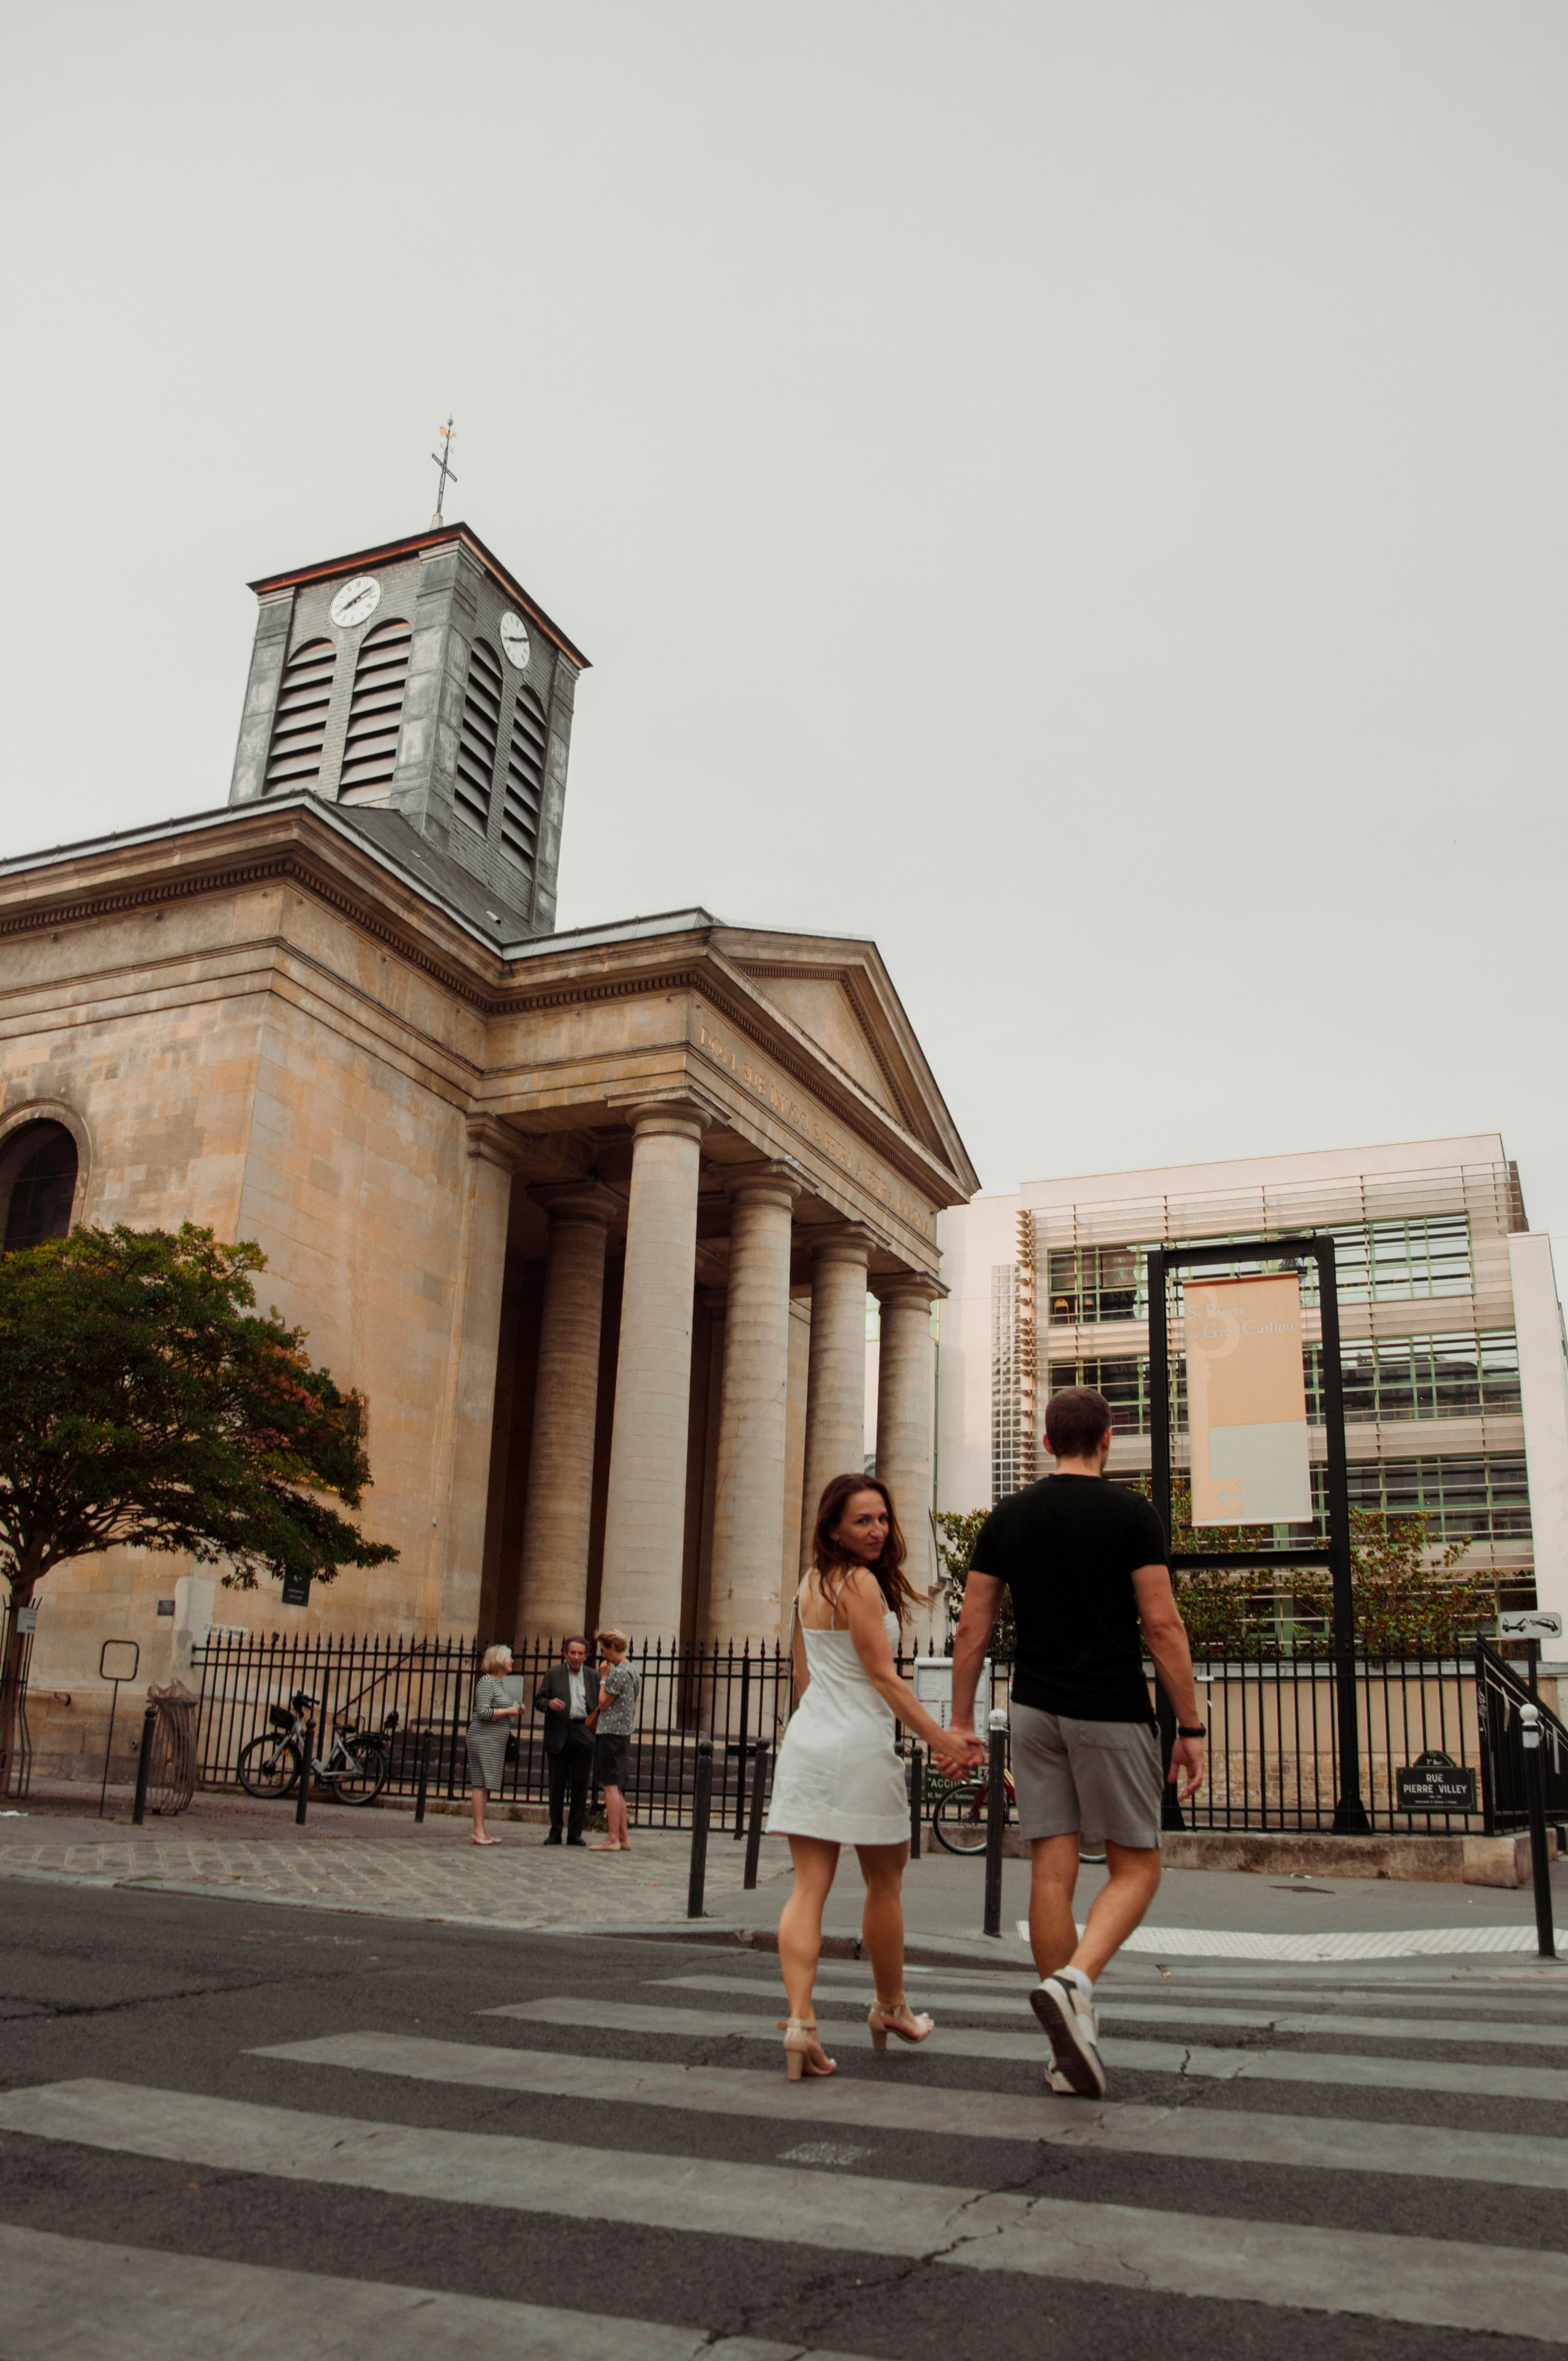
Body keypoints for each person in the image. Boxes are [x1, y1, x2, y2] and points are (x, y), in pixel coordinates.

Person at [947, 1384, 1206, 2099]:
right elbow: (1162, 1627)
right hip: (1111, 1708)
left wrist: (963, 1720)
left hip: (1032, 1709)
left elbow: (972, 1627)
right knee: (1137, 1866)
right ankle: (1075, 1980)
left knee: (1050, 1869)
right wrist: (1189, 1727)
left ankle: (1068, 2046)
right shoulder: (1132, 1515)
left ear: (1045, 1441)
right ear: (1108, 1437)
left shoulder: (1008, 1515)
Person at [764, 1472, 973, 2082]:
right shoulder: (858, 1584)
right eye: (863, 1521)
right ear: (834, 1528)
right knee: (884, 1886)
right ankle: (889, 2007)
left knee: (808, 1889)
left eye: (882, 1518)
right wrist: (942, 1740)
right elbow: (884, 1679)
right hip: (857, 1746)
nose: (878, 1530)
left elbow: (803, 1676)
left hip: (808, 1741)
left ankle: (801, 2024)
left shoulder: (809, 1584)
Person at [533, 1635, 596, 1846]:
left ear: (586, 1656)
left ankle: (575, 1833)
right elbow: (539, 1700)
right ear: (565, 1654)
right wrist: (549, 1704)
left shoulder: (593, 1676)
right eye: (572, 1653)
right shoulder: (553, 1673)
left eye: (580, 1653)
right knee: (556, 1785)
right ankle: (555, 1831)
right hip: (559, 1731)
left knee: (580, 1786)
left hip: (583, 1731)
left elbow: (599, 1705)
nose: (576, 1657)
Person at [464, 1643, 526, 1845]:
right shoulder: (486, 1682)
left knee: (485, 1785)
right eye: (509, 1657)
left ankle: (482, 1830)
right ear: (498, 1659)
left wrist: (515, 1711)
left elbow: (499, 1711)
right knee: (480, 1784)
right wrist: (509, 1711)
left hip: (494, 1741)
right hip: (484, 1739)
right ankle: (478, 1831)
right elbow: (482, 1712)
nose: (512, 1661)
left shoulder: (498, 1684)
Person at [587, 1627, 641, 1852]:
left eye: (604, 1649)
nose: (603, 1655)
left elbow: (602, 1703)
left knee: (609, 1786)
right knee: (616, 1786)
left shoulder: (617, 1673)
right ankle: (623, 1836)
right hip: (623, 1732)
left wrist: (603, 1677)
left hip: (611, 1733)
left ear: (612, 1647)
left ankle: (612, 1838)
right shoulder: (633, 1671)